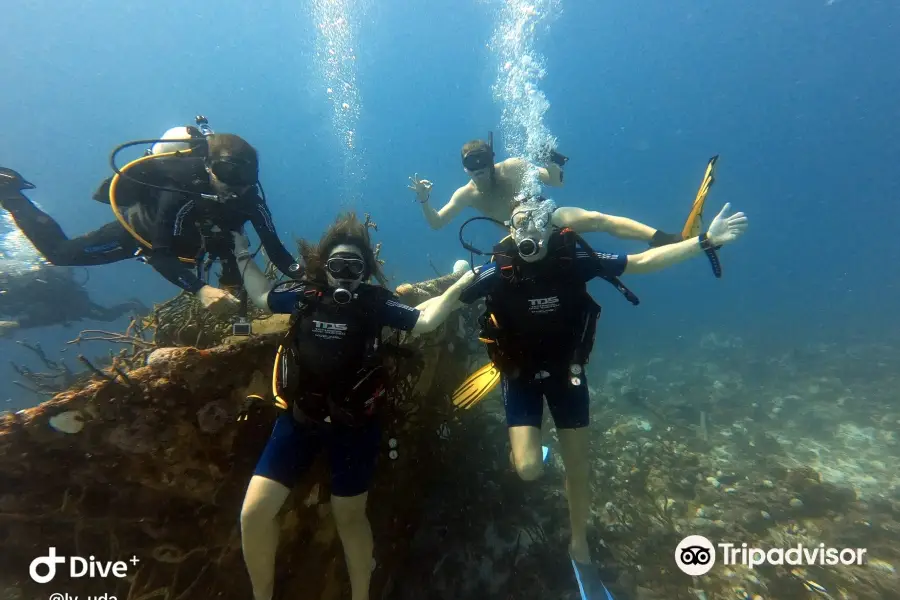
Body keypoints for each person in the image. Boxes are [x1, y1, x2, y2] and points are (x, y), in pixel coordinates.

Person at [450, 195, 748, 595]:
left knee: (578, 467)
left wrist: (704, 242)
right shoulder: (498, 271)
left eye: (538, 222)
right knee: (527, 469)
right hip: (517, 374)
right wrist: (436, 298)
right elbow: (450, 299)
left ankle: (580, 546)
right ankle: (535, 451)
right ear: (510, 229)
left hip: (565, 374)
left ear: (552, 226)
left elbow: (640, 263)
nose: (529, 231)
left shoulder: (573, 258)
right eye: (520, 223)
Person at [234, 212, 474, 600]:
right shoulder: (306, 297)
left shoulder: (374, 304)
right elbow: (262, 297)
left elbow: (425, 320)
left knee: (349, 516)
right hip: (299, 421)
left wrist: (462, 285)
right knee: (253, 514)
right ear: (324, 269)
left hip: (356, 426)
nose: (345, 275)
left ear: (365, 273)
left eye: (354, 267)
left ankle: (361, 595)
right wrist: (242, 253)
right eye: (337, 266)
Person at [0, 123, 301, 317]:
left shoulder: (250, 199)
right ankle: (11, 194)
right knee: (59, 255)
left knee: (234, 282)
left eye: (246, 178)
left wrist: (306, 276)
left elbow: (276, 250)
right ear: (208, 167)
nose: (235, 187)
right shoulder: (180, 190)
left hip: (204, 243)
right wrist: (200, 289)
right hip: (143, 235)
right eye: (226, 175)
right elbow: (160, 255)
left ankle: (234, 322)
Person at [407, 136, 685, 247]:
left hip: (546, 216)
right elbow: (437, 223)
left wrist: (551, 163)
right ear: (464, 169)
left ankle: (663, 238)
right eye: (471, 165)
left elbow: (555, 183)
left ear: (492, 160)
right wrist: (424, 199)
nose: (478, 169)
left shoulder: (513, 167)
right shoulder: (466, 194)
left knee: (597, 218)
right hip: (517, 236)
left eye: (482, 161)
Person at [0, 261, 148, 336]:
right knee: (107, 315)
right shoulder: (21, 289)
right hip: (64, 302)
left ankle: (132, 304)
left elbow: (53, 316)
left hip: (73, 303)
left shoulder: (36, 287)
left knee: (107, 316)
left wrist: (16, 325)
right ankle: (132, 303)